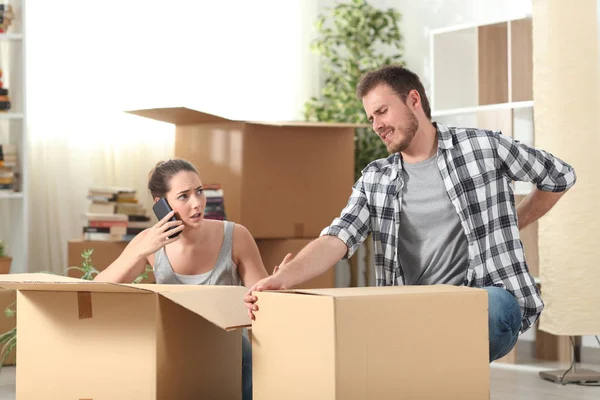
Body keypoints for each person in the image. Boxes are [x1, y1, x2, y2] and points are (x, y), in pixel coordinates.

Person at [245, 65, 577, 362]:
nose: (376, 125)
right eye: (371, 118)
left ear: (413, 100)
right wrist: (283, 279)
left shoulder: (483, 147)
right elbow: (338, 237)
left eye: (382, 112)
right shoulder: (377, 177)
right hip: (410, 308)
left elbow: (559, 176)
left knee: (496, 309)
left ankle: (429, 368)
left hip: (480, 302)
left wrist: (512, 221)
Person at [95, 158, 269, 400]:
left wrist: (276, 284)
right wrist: (139, 251)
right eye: (184, 196)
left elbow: (266, 304)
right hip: (174, 355)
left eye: (199, 192)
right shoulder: (149, 243)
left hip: (229, 355)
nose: (197, 203)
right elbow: (97, 290)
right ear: (161, 205)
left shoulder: (236, 236)